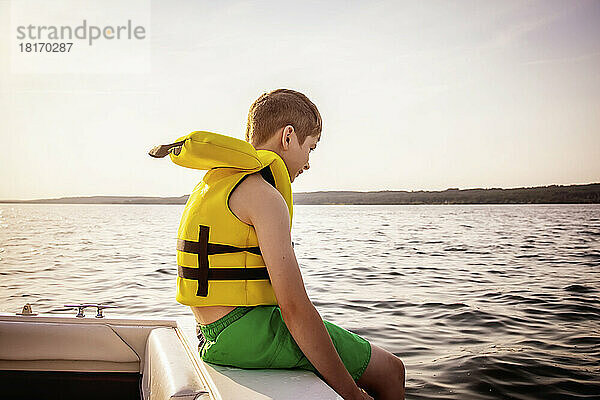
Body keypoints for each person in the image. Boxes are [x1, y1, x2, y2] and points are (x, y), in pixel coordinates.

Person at [151, 89, 405, 399]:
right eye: (310, 148)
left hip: (209, 335)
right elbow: (294, 309)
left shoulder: (214, 183)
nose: (308, 163)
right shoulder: (264, 196)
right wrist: (351, 393)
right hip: (244, 335)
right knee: (392, 370)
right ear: (288, 137)